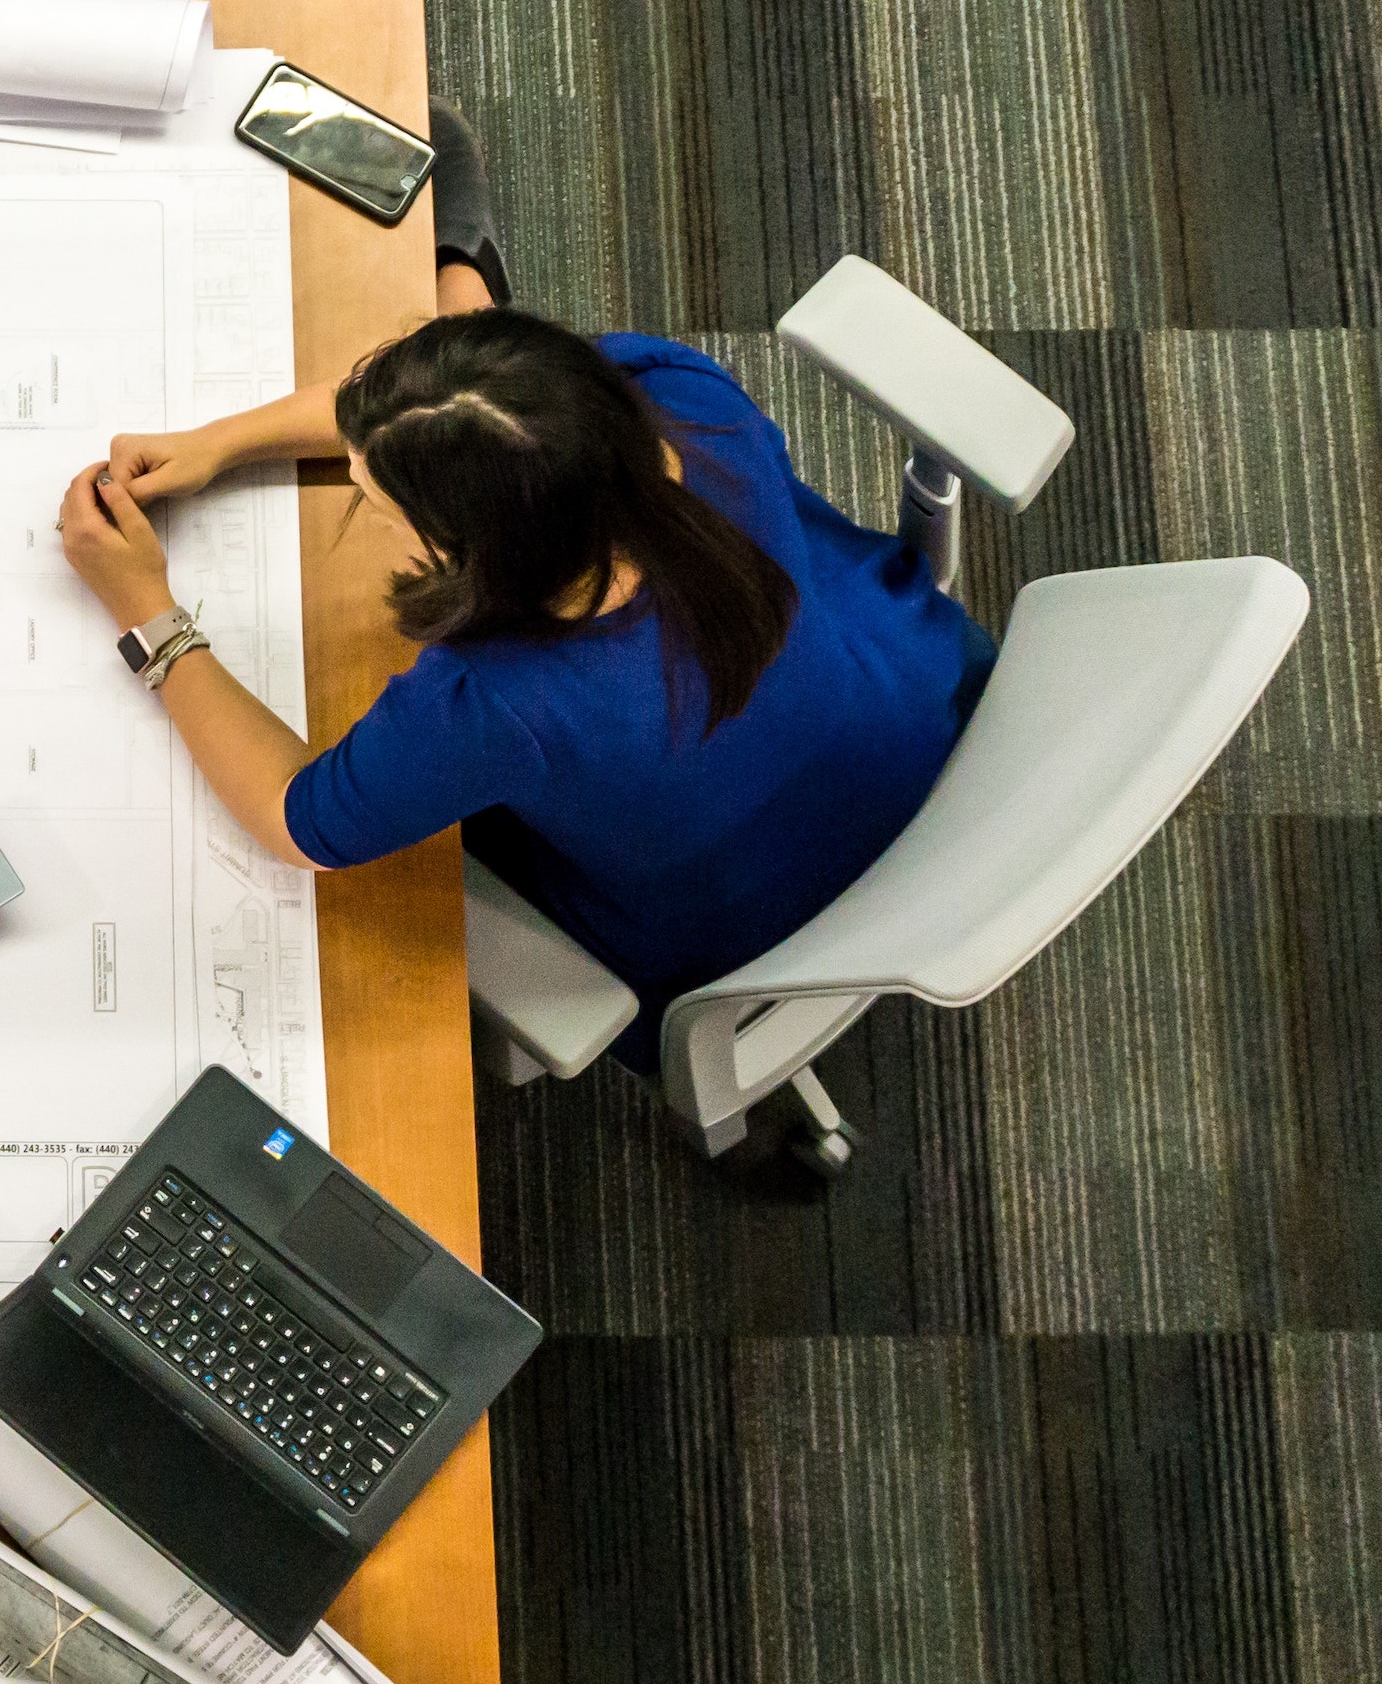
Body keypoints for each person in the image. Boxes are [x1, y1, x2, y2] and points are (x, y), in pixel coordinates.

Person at [51, 106, 991, 1114]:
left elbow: (299, 819)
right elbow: (455, 404)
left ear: (467, 551)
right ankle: (468, 273)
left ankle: (464, 268)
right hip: (916, 709)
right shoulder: (671, 394)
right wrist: (221, 442)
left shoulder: (497, 702)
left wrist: (147, 611)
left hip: (744, 924)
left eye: (375, 500)